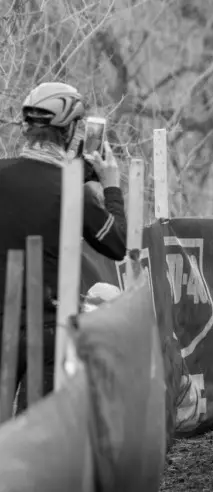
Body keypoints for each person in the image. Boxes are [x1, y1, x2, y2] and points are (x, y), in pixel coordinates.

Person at [0, 81, 127, 408]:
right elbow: (117, 244)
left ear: (27, 129)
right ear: (71, 131)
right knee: (35, 437)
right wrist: (111, 188)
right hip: (48, 331)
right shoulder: (70, 189)